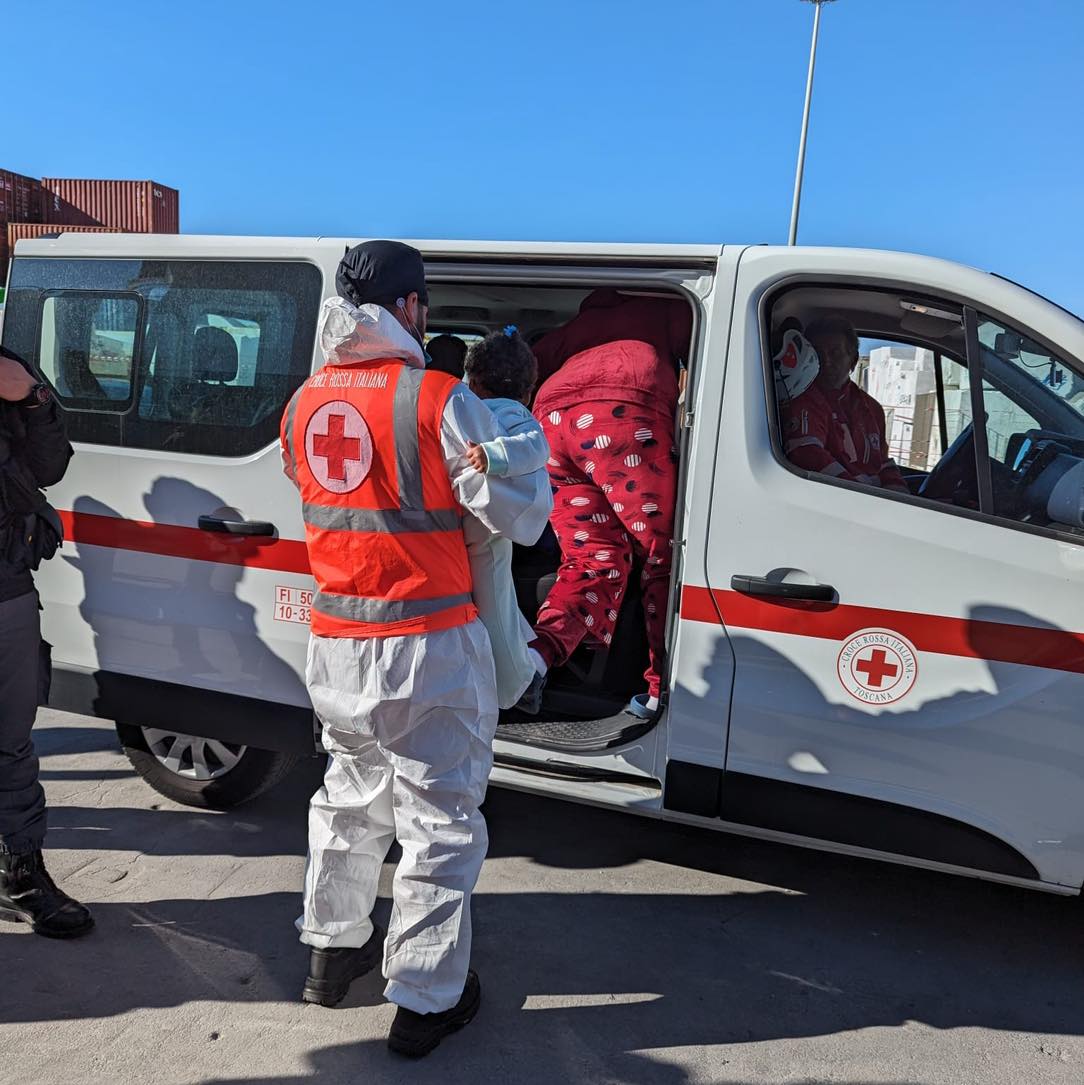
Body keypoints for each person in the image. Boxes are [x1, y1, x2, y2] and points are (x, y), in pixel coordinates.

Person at [280, 241, 550, 1058]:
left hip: (336, 648)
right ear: (408, 308)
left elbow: (323, 494)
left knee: (348, 803)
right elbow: (518, 517)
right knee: (438, 823)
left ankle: (330, 953)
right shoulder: (438, 399)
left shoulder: (305, 401)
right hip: (427, 645)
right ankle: (427, 999)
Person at [526, 290, 692, 719]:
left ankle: (535, 658)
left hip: (553, 426)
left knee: (592, 559)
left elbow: (530, 367)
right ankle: (660, 688)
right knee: (664, 557)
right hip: (623, 417)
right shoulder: (664, 308)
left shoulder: (572, 332)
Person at [0, 348, 93, 939]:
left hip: (4, 584)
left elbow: (50, 466)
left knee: (10, 741)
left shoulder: (9, 367)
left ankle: (22, 878)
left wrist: (31, 399)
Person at [460, 326, 550, 709]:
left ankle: (516, 675)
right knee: (498, 605)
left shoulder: (472, 410)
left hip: (471, 523)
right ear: (529, 390)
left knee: (497, 605)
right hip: (485, 529)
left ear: (473, 381)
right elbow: (537, 447)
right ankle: (517, 679)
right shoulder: (516, 413)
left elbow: (530, 447)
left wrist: (492, 455)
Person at [780, 315, 908, 492]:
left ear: (853, 360)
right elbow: (806, 453)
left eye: (835, 353)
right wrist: (862, 498)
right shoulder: (803, 400)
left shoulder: (873, 408)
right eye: (818, 353)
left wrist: (900, 496)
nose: (826, 361)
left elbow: (882, 462)